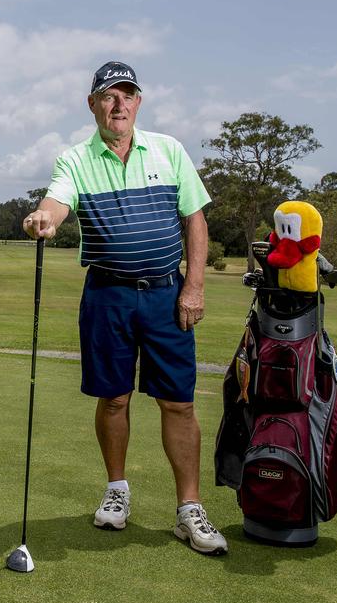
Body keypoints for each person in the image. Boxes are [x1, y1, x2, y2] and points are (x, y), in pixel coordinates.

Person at [23, 60, 228, 556]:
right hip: (107, 295)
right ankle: (117, 491)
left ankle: (188, 509)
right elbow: (57, 202)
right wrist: (43, 219)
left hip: (165, 293)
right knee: (113, 398)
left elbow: (194, 221)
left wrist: (194, 286)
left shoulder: (168, 150)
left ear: (139, 102)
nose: (119, 104)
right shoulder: (75, 159)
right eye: (109, 96)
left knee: (178, 401)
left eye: (127, 95)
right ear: (92, 104)